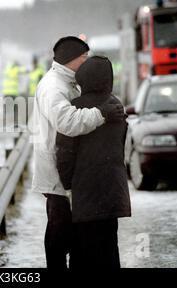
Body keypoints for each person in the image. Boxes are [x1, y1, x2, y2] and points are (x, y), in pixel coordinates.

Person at [31, 36, 125, 269]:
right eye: (83, 57)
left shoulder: (70, 83)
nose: (86, 62)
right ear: (71, 60)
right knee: (59, 233)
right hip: (57, 173)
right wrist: (101, 114)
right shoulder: (54, 87)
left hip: (70, 172)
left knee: (70, 234)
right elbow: (68, 123)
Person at [56, 56, 131, 269]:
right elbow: (120, 144)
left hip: (86, 189)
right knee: (109, 247)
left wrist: (67, 181)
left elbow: (65, 151)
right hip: (113, 188)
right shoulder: (116, 105)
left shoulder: (75, 108)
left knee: (82, 250)